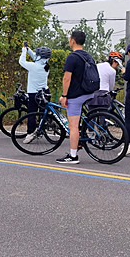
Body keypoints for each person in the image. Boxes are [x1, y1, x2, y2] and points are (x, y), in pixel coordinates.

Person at [57, 30, 97, 164]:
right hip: (89, 92)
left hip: (76, 95)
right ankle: (80, 140)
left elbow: (66, 78)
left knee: (73, 126)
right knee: (78, 122)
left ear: (72, 41)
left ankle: (73, 156)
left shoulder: (72, 57)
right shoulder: (88, 56)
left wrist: (64, 95)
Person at [19, 43, 51, 144]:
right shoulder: (46, 66)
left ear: (40, 56)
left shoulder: (33, 66)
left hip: (34, 94)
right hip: (45, 92)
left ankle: (30, 134)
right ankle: (42, 128)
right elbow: (36, 58)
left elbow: (21, 61)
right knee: (43, 113)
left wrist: (24, 51)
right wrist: (29, 49)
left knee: (32, 113)